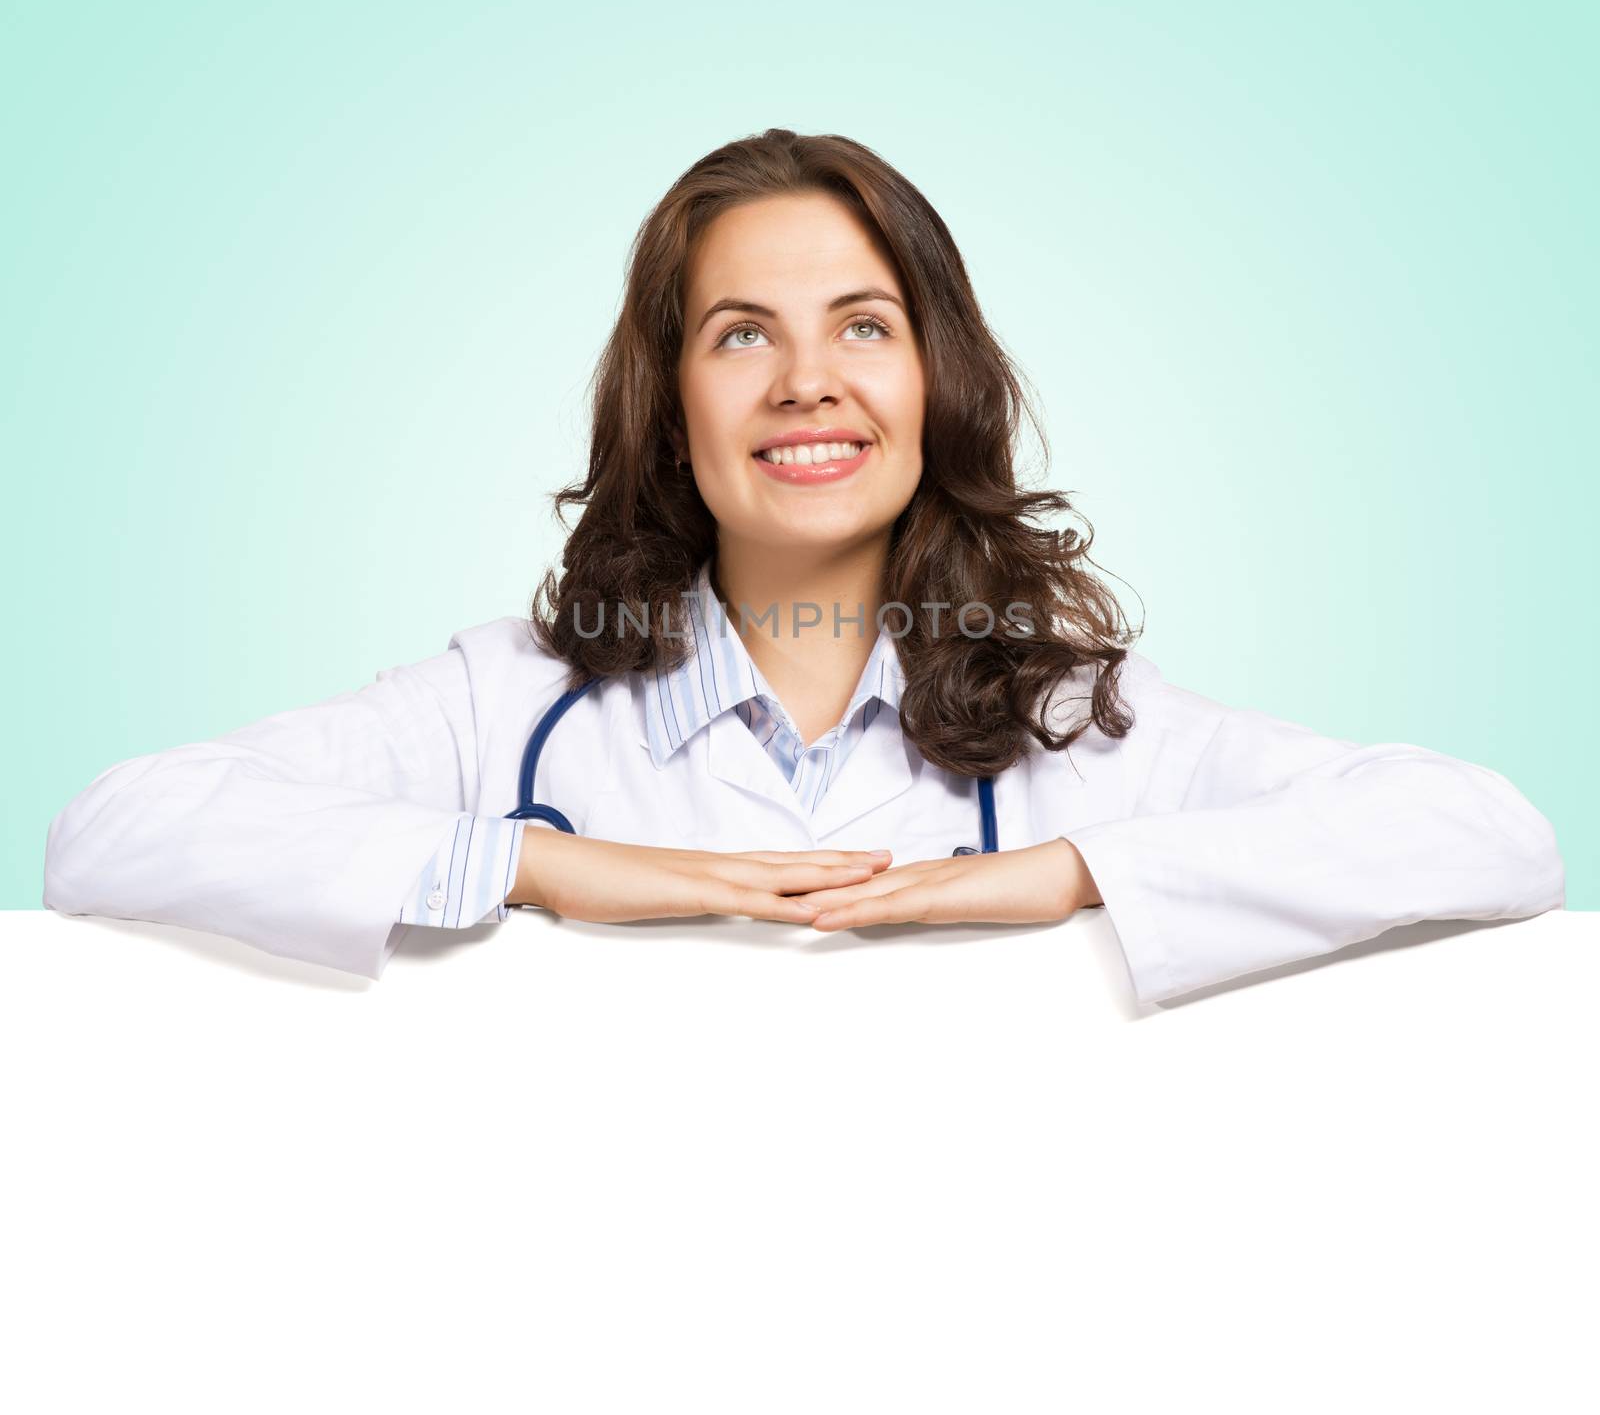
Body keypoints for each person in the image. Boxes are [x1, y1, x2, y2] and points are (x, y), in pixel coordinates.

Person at [41, 128, 1565, 1003]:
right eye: (741, 334)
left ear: (932, 382)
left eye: (863, 326)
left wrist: (1066, 877)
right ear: (673, 398)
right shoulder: (507, 710)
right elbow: (113, 833)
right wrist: (547, 867)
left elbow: (1490, 839)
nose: (806, 383)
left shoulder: (1073, 721)